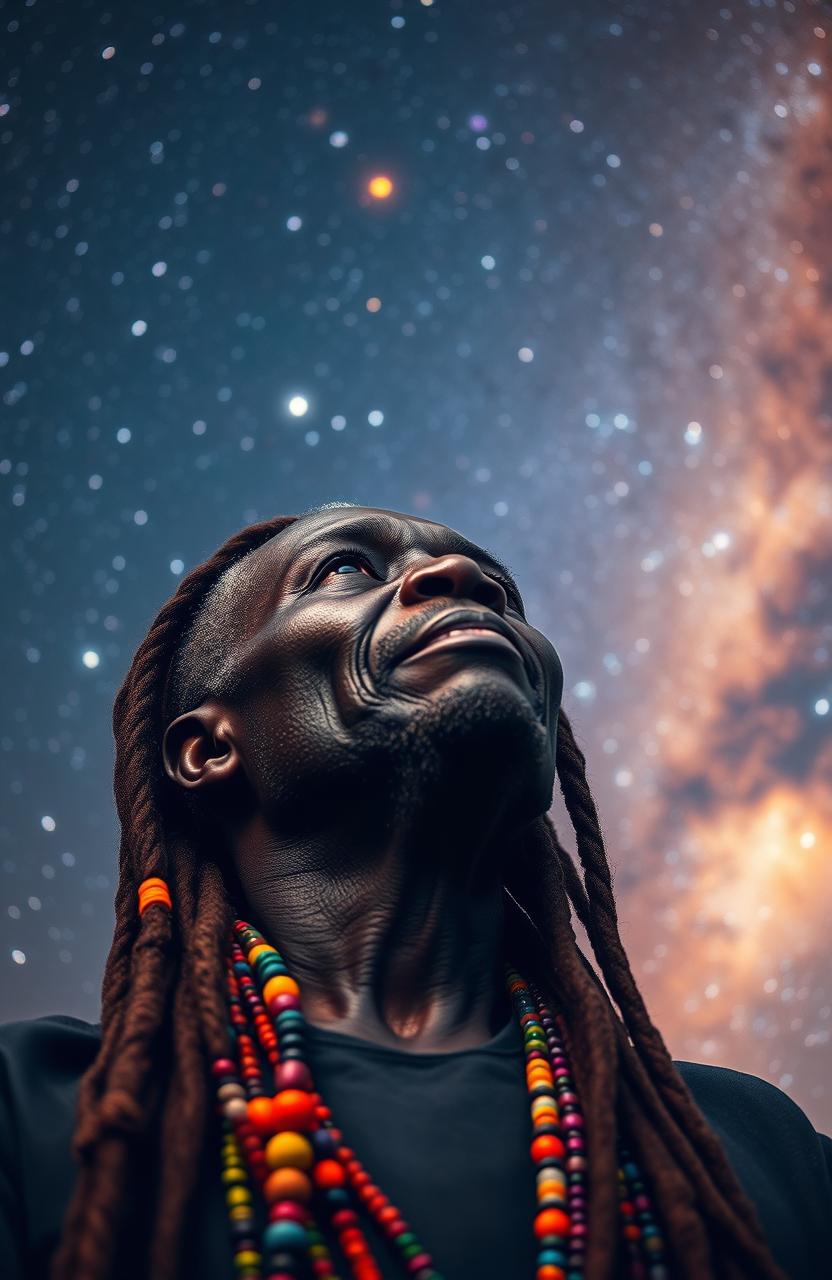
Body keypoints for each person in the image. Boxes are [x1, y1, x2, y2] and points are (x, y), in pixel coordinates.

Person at [0, 503, 829, 1280]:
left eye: (499, 593)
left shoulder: (763, 1145)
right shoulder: (33, 1110)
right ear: (209, 749)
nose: (460, 582)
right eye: (345, 569)